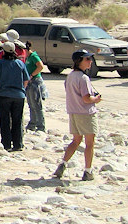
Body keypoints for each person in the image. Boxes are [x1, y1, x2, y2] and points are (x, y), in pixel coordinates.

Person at [54, 50, 103, 180]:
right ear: (79, 61)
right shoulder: (83, 78)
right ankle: (88, 171)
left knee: (75, 141)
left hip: (73, 112)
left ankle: (62, 164)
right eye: (87, 59)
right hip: (85, 113)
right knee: (89, 143)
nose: (90, 62)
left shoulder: (70, 76)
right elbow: (86, 98)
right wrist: (96, 99)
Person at [0, 41, 29, 152]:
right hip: (19, 95)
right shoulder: (20, 63)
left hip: (3, 95)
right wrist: (22, 89)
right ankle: (18, 144)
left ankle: (6, 144)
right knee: (17, 120)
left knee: (5, 120)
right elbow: (26, 79)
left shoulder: (1, 63)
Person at [24, 41, 46, 132]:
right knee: (31, 104)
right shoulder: (27, 57)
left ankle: (41, 125)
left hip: (35, 81)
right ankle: (32, 123)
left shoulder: (33, 56)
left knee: (37, 104)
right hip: (29, 82)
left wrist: (32, 75)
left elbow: (40, 66)